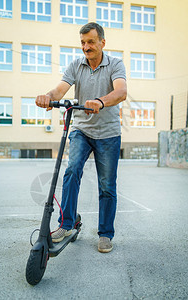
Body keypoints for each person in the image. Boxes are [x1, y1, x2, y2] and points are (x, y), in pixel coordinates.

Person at [36, 22, 127, 253]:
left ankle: (105, 233)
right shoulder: (76, 65)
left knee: (107, 185)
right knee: (71, 170)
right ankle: (66, 224)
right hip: (81, 130)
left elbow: (121, 92)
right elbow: (60, 89)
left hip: (108, 134)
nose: (86, 47)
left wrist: (100, 101)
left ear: (102, 43)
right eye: (83, 43)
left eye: (91, 42)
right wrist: (48, 97)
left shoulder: (115, 64)